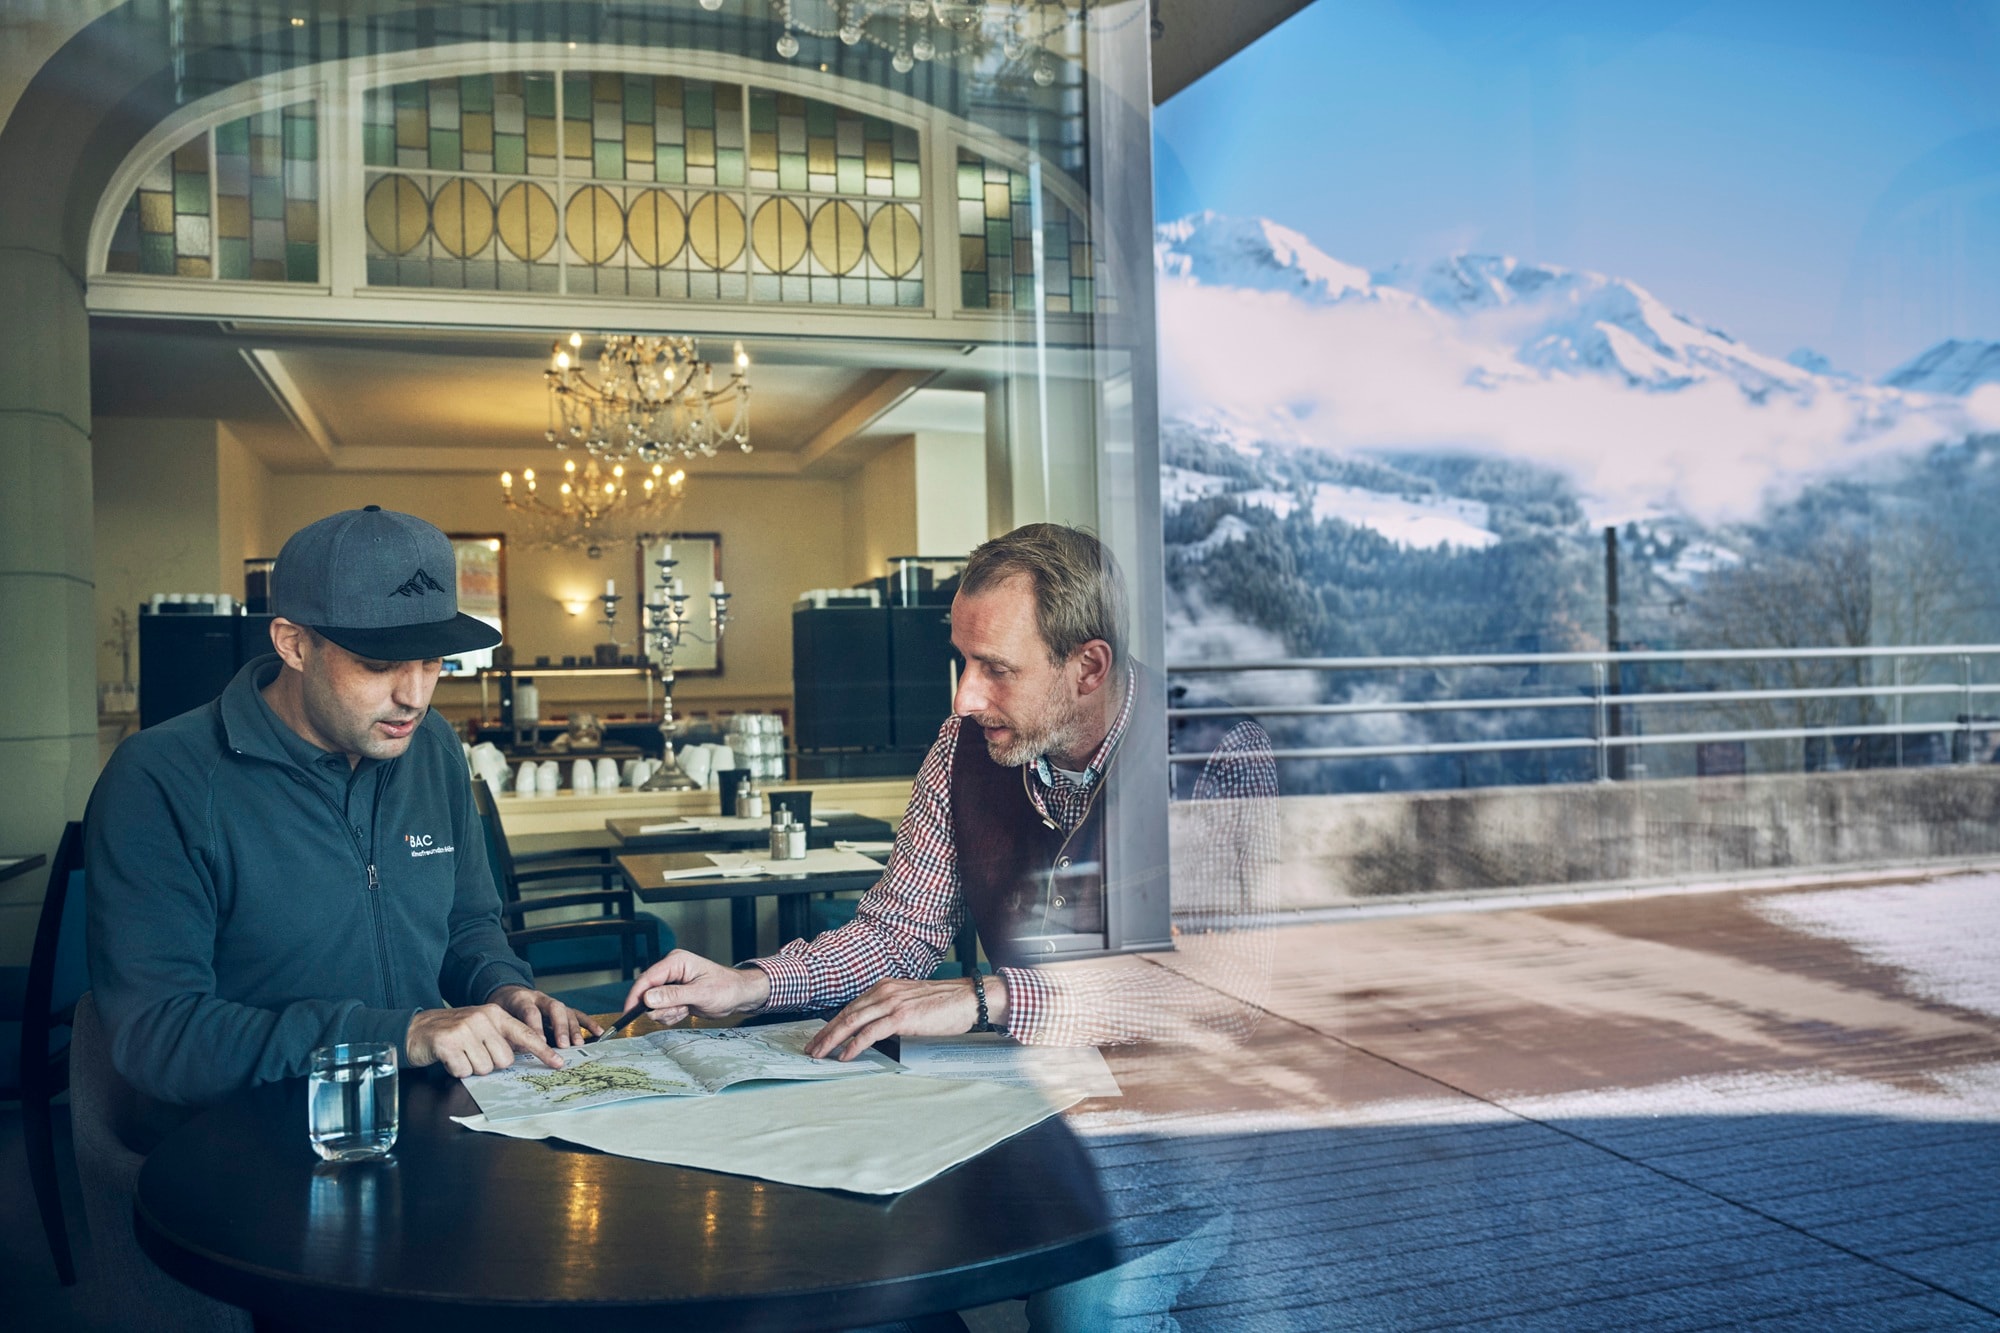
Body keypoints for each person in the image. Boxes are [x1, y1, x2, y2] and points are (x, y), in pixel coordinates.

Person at [622, 522, 1277, 1059]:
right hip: (1035, 1095)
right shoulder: (963, 744)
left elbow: (1226, 986)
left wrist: (985, 996)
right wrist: (750, 985)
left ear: (1088, 667)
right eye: (964, 661)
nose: (964, 697)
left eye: (995, 668)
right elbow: (896, 933)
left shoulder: (1217, 752)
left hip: (1189, 1113)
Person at [87, 505, 596, 1113]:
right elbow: (159, 1038)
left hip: (427, 1116)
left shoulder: (431, 746)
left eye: (432, 662)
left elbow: (466, 925)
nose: (413, 696)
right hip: (249, 1138)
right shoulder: (160, 778)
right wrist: (397, 1035)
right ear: (293, 644)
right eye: (378, 665)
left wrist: (503, 987)